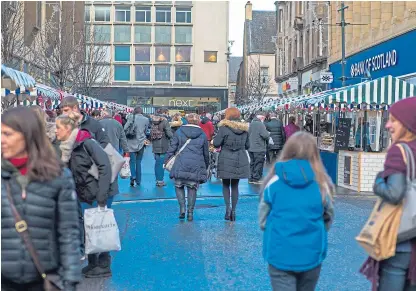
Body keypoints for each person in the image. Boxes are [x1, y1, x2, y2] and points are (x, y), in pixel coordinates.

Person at [1, 107, 81, 291]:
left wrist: (70, 282)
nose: (1, 140)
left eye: (7, 134)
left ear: (27, 135)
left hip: (45, 279)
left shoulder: (58, 176)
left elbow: (68, 233)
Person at [259, 131, 335, 291]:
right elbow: (328, 216)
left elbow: (263, 218)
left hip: (279, 251)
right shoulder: (322, 184)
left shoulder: (273, 182)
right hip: (311, 252)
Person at [360, 97, 416, 291]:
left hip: (400, 242)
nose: (387, 125)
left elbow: (394, 193)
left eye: (394, 120)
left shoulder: (399, 151)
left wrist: (377, 182)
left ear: (407, 123)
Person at [55, 112, 112, 278]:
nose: (56, 131)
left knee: (98, 229)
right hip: (82, 193)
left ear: (67, 128)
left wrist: (102, 193)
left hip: (94, 192)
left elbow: (104, 165)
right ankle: (93, 263)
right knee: (89, 229)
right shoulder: (67, 146)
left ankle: (103, 265)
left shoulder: (87, 142)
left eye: (58, 127)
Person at [165, 113, 209, 221]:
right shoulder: (202, 134)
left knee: (179, 185)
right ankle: (190, 212)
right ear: (198, 121)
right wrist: (206, 165)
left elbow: (172, 147)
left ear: (187, 120)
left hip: (180, 162)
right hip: (195, 164)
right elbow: (206, 153)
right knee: (192, 187)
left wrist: (167, 159)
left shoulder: (179, 131)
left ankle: (182, 208)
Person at [213, 108, 250, 221]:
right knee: (235, 186)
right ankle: (234, 211)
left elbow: (216, 144)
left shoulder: (223, 129)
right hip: (240, 158)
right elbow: (248, 145)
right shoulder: (244, 129)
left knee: (225, 185)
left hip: (226, 158)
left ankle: (227, 209)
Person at [124, 107, 150, 187]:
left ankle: (133, 177)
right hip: (141, 143)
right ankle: (138, 181)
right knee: (138, 162)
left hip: (131, 142)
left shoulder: (131, 117)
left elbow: (125, 128)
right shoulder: (146, 119)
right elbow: (146, 131)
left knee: (132, 161)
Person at [150, 113, 173, 187]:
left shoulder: (152, 122)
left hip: (155, 145)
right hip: (163, 145)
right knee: (162, 164)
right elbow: (169, 134)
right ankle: (160, 181)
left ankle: (157, 179)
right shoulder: (164, 122)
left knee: (157, 163)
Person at [248, 112, 270, 184]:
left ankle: (251, 178)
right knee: (259, 163)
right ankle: (256, 178)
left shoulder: (251, 123)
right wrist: (268, 133)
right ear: (262, 117)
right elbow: (265, 135)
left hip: (251, 147)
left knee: (252, 163)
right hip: (259, 147)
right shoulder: (260, 124)